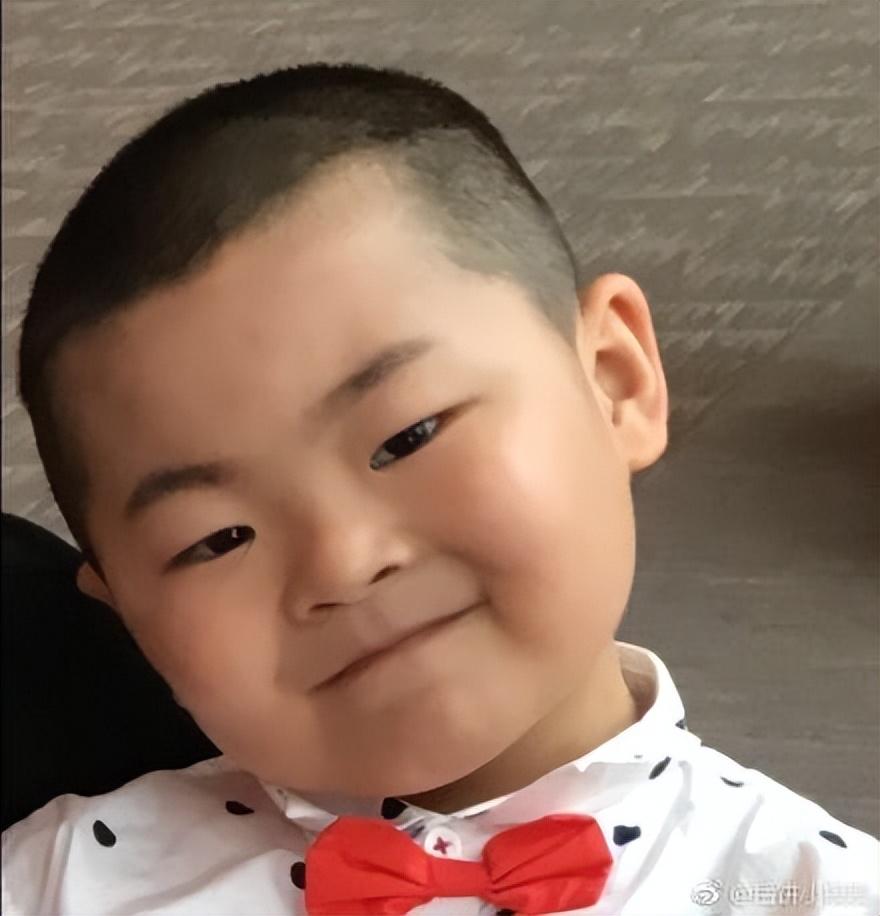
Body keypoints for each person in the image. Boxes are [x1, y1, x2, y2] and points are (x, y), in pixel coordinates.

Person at [2, 62, 877, 916]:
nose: (342, 562)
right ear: (125, 613)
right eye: (216, 538)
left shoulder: (812, 891)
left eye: (407, 437)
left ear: (615, 381)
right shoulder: (54, 883)